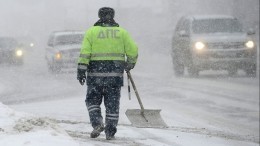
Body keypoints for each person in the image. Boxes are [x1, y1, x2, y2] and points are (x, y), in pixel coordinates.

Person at [77, 7, 138, 140]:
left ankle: (97, 123)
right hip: (115, 75)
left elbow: (85, 53)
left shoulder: (92, 32)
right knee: (112, 104)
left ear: (99, 16)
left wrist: (81, 70)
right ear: (113, 16)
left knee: (92, 100)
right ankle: (110, 131)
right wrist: (130, 63)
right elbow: (133, 50)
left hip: (95, 75)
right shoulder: (122, 32)